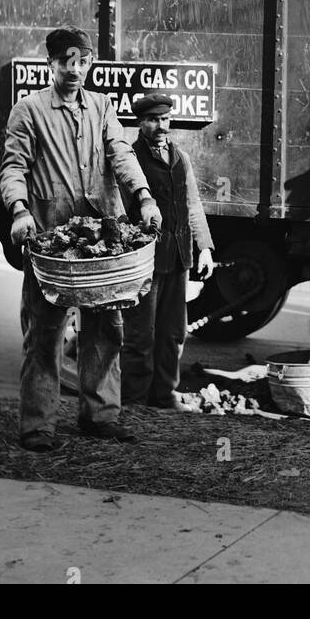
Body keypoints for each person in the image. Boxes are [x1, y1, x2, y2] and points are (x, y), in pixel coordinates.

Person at [0, 26, 161, 452]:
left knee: (107, 328)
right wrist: (19, 211)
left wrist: (143, 197)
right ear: (50, 63)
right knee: (45, 330)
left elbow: (121, 155)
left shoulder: (103, 107)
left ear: (90, 63)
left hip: (106, 241)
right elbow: (13, 168)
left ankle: (100, 415)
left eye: (82, 62)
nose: (73, 70)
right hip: (51, 242)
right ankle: (37, 424)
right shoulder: (29, 111)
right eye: (65, 61)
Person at [121, 92, 215, 409]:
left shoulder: (180, 158)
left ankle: (162, 395)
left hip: (178, 258)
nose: (160, 126)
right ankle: (134, 399)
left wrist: (204, 247)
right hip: (145, 262)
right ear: (140, 123)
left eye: (164, 119)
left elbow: (192, 204)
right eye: (152, 120)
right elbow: (121, 211)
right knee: (139, 336)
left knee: (173, 333)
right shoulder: (131, 160)